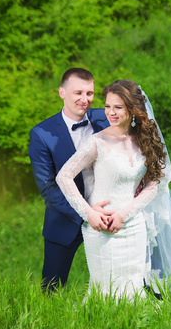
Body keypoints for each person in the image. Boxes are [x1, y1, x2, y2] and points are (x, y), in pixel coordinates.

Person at [56, 80, 171, 299]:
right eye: (107, 106)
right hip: (102, 227)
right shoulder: (97, 142)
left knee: (134, 292)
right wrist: (89, 213)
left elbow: (152, 185)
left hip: (134, 225)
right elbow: (63, 176)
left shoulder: (144, 141)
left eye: (117, 107)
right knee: (105, 295)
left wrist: (124, 214)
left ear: (133, 109)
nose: (110, 112)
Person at [29, 68, 112, 290]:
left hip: (108, 214)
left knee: (121, 281)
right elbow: (48, 188)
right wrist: (87, 212)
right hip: (66, 219)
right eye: (78, 93)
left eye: (89, 93)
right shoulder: (42, 134)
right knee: (52, 289)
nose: (84, 100)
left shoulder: (105, 118)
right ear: (62, 92)